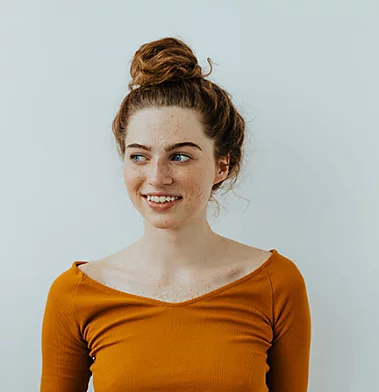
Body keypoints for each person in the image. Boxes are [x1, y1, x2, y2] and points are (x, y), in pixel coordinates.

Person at [40, 36, 311, 392]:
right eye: (139, 156)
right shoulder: (74, 295)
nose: (156, 177)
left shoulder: (276, 284)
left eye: (180, 156)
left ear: (221, 165)